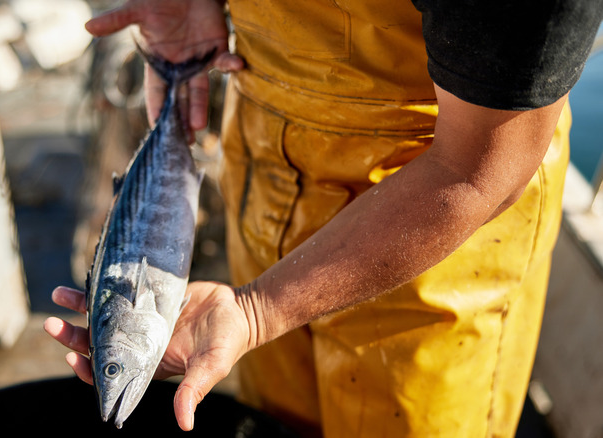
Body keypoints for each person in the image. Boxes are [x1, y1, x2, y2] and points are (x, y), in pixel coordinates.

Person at [45, 0, 603, 436]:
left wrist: (259, 310)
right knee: (280, 425)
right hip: (264, 176)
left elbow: (479, 170)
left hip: (433, 230)